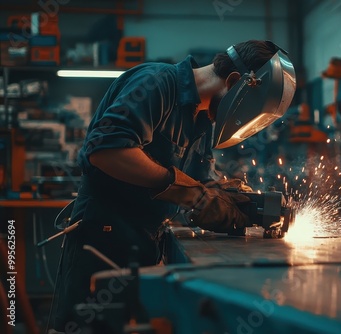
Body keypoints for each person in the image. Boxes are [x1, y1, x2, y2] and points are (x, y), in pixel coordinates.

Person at [51, 40, 296, 332]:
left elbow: (202, 183)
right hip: (102, 243)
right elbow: (106, 150)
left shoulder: (203, 120)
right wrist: (183, 188)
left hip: (143, 246)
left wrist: (242, 204)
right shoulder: (156, 83)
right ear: (234, 82)